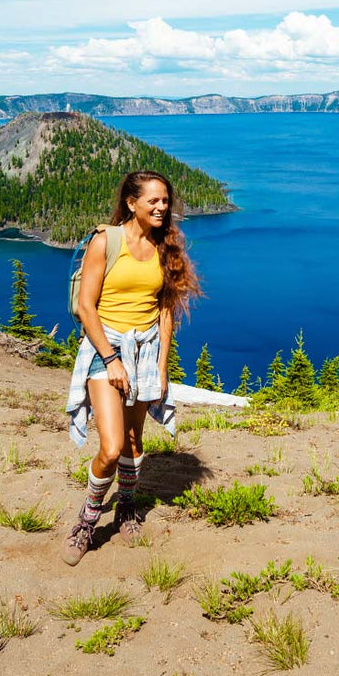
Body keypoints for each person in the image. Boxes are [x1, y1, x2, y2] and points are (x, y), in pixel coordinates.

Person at [63, 170, 201, 566]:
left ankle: (125, 507)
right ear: (131, 203)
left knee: (134, 442)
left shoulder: (164, 247)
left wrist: (161, 366)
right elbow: (86, 306)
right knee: (111, 447)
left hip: (145, 350)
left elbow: (165, 312)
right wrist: (111, 359)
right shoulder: (105, 241)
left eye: (165, 201)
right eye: (153, 201)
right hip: (105, 348)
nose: (161, 207)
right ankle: (87, 520)